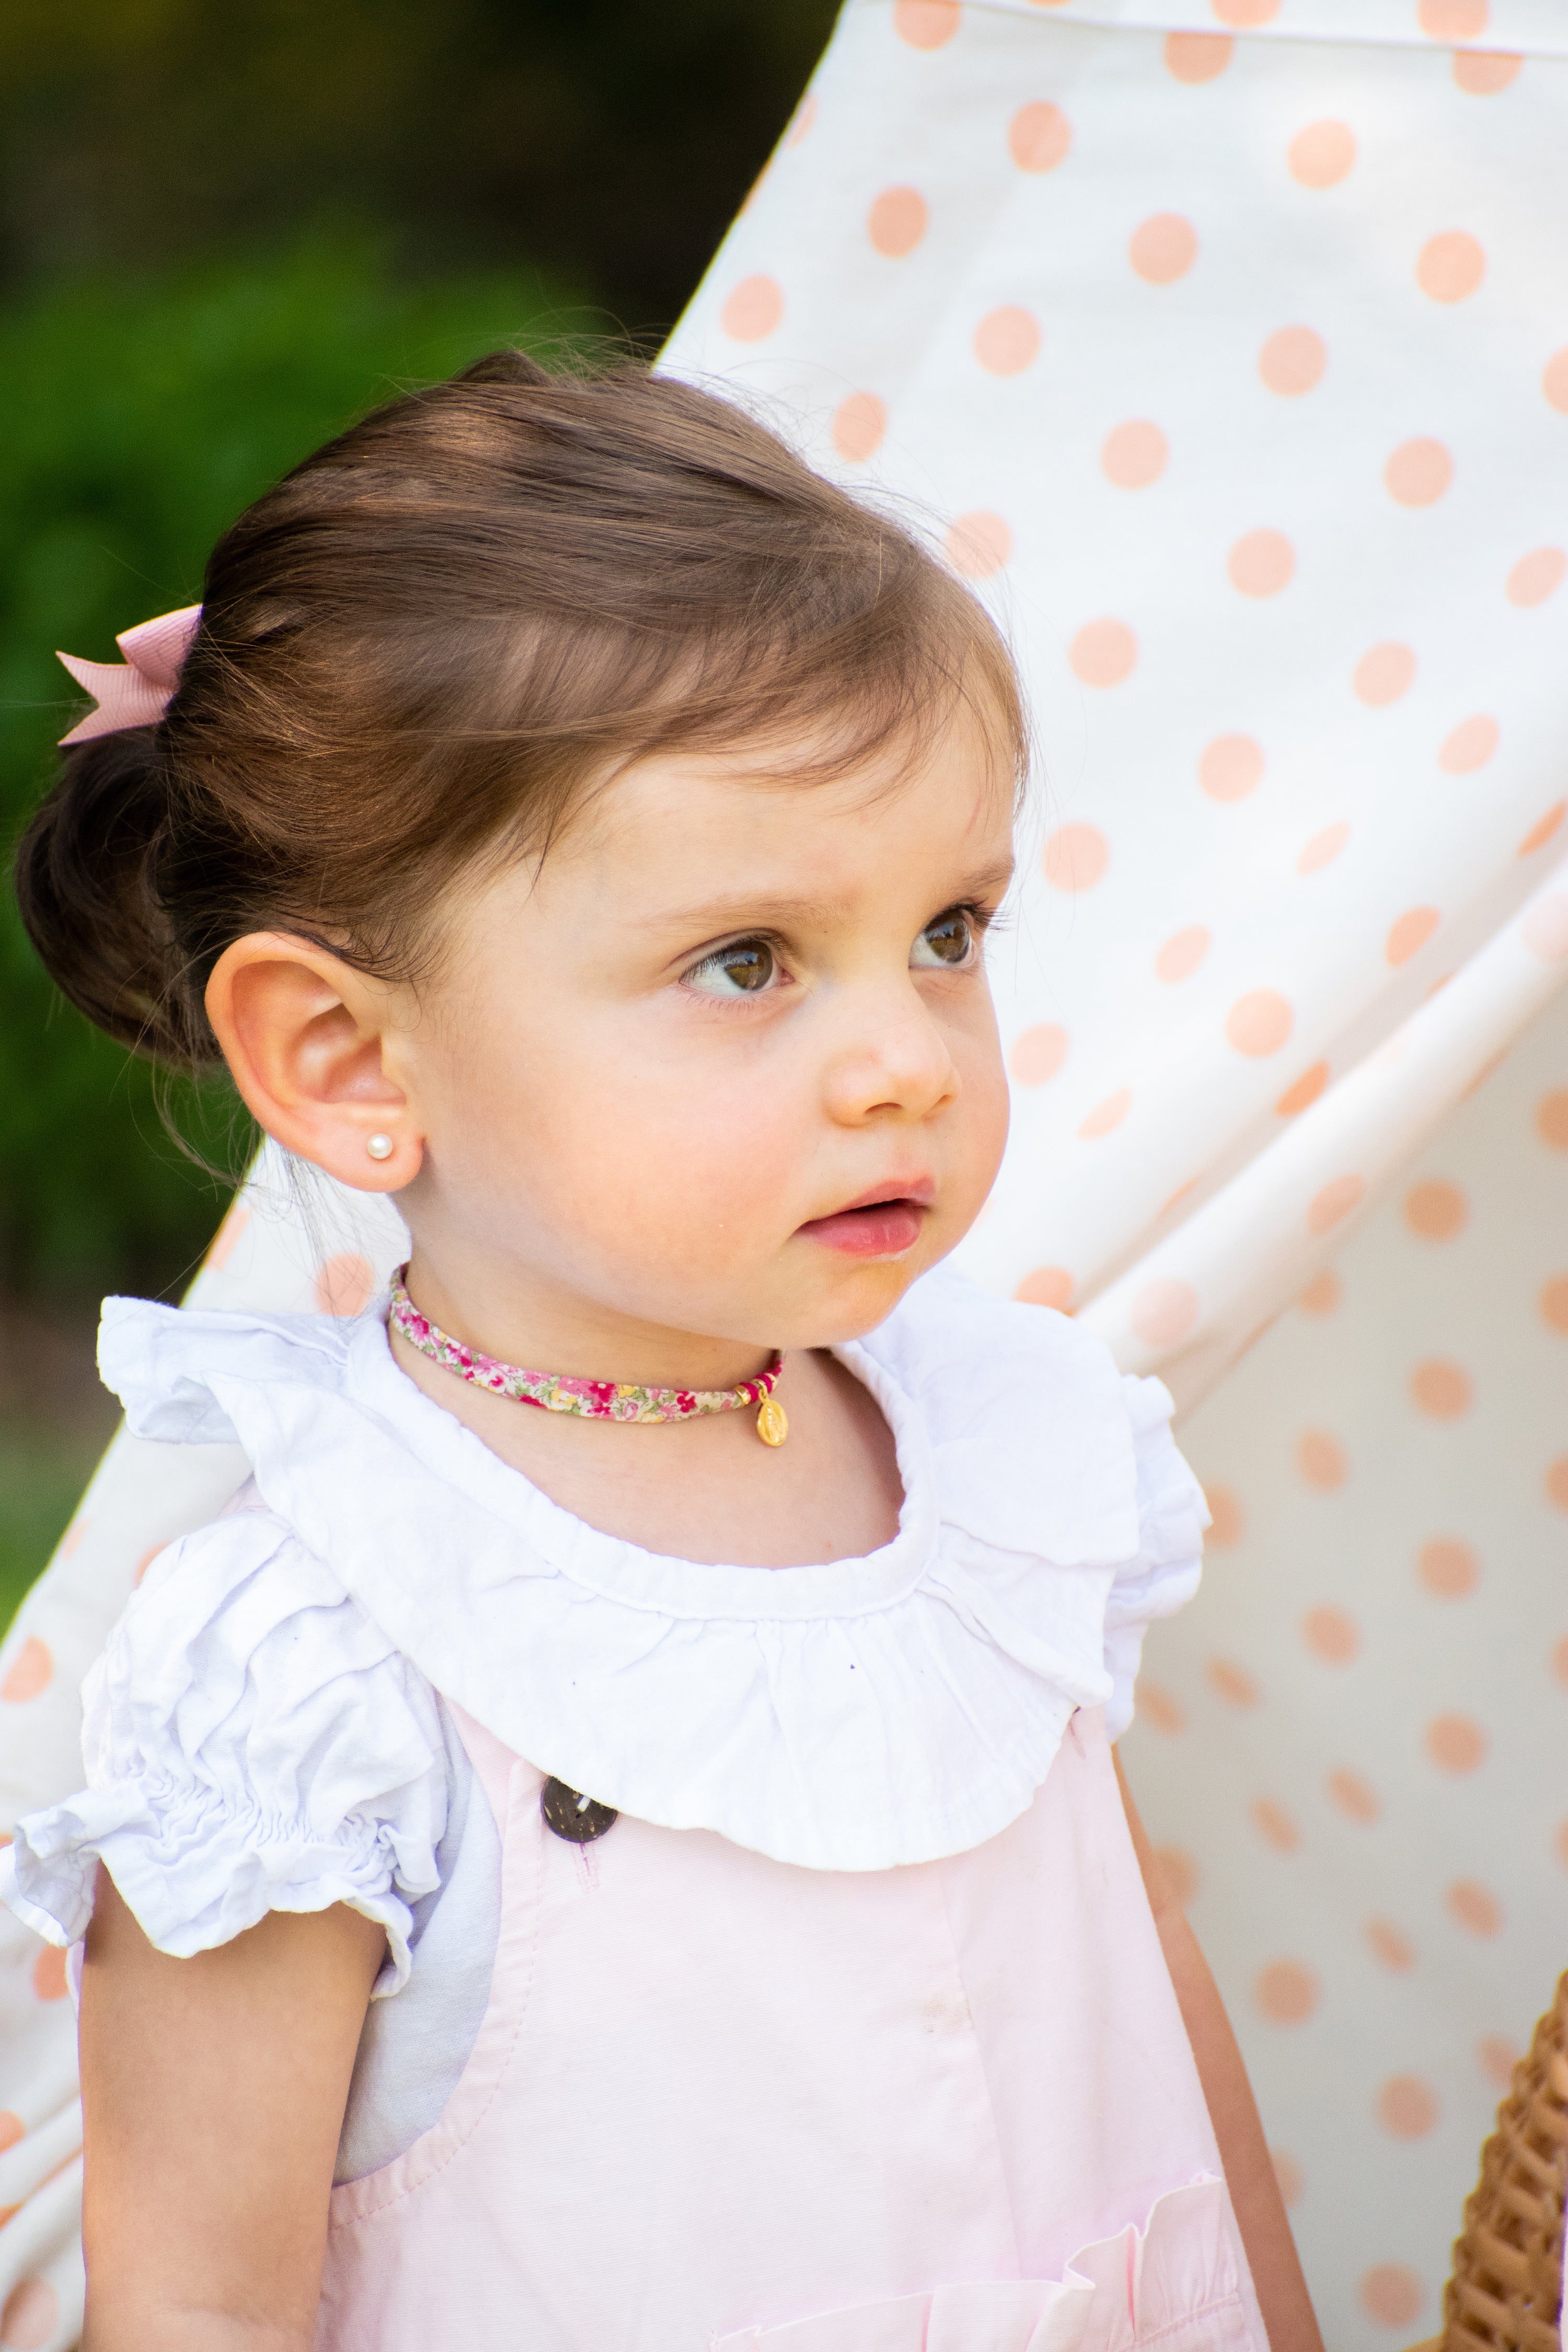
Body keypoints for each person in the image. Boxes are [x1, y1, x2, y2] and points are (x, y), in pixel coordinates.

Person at [2, 354, 1321, 2352]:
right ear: (351, 1060)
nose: (904, 1064)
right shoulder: (325, 1660)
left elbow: (1155, 2010)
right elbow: (199, 2308)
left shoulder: (1007, 1449)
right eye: (746, 962)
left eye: (951, 932)